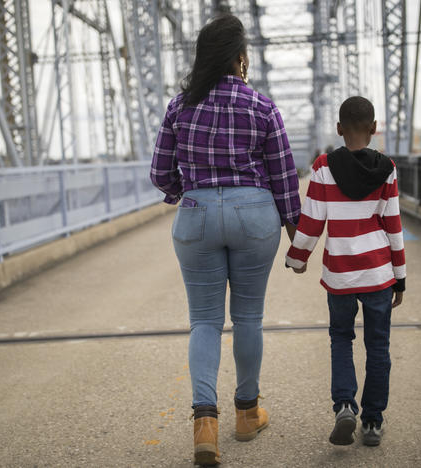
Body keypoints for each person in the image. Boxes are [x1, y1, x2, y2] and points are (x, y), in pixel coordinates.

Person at [150, 13, 300, 466]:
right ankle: (248, 413)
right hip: (254, 213)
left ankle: (205, 424)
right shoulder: (263, 106)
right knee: (249, 317)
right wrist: (298, 234)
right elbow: (284, 176)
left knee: (205, 322)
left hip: (196, 214)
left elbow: (159, 173)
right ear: (240, 59)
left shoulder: (180, 106)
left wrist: (182, 192)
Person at [285, 96, 406, 447]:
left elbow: (311, 224)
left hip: (339, 275)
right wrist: (400, 276)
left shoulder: (323, 167)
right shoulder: (388, 168)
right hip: (378, 274)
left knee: (341, 339)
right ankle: (372, 422)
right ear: (374, 129)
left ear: (339, 129)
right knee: (378, 347)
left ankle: (344, 406)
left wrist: (297, 258)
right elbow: (393, 226)